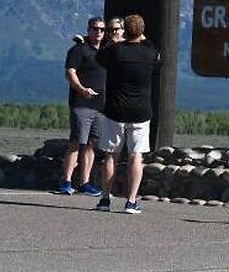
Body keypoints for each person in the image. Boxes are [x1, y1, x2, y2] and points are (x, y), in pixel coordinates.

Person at [94, 14, 161, 214]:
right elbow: (158, 56)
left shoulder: (114, 52)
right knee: (135, 156)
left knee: (111, 155)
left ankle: (105, 199)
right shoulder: (150, 53)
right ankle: (131, 201)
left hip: (115, 109)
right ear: (141, 32)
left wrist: (115, 41)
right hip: (140, 111)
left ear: (124, 31)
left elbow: (99, 57)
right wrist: (142, 38)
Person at [56, 17, 107, 196]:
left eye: (102, 29)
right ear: (88, 29)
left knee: (92, 145)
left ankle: (85, 182)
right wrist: (82, 89)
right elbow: (70, 73)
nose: (98, 32)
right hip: (82, 104)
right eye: (95, 29)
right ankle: (66, 181)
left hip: (100, 107)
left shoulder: (105, 52)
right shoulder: (78, 50)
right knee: (77, 142)